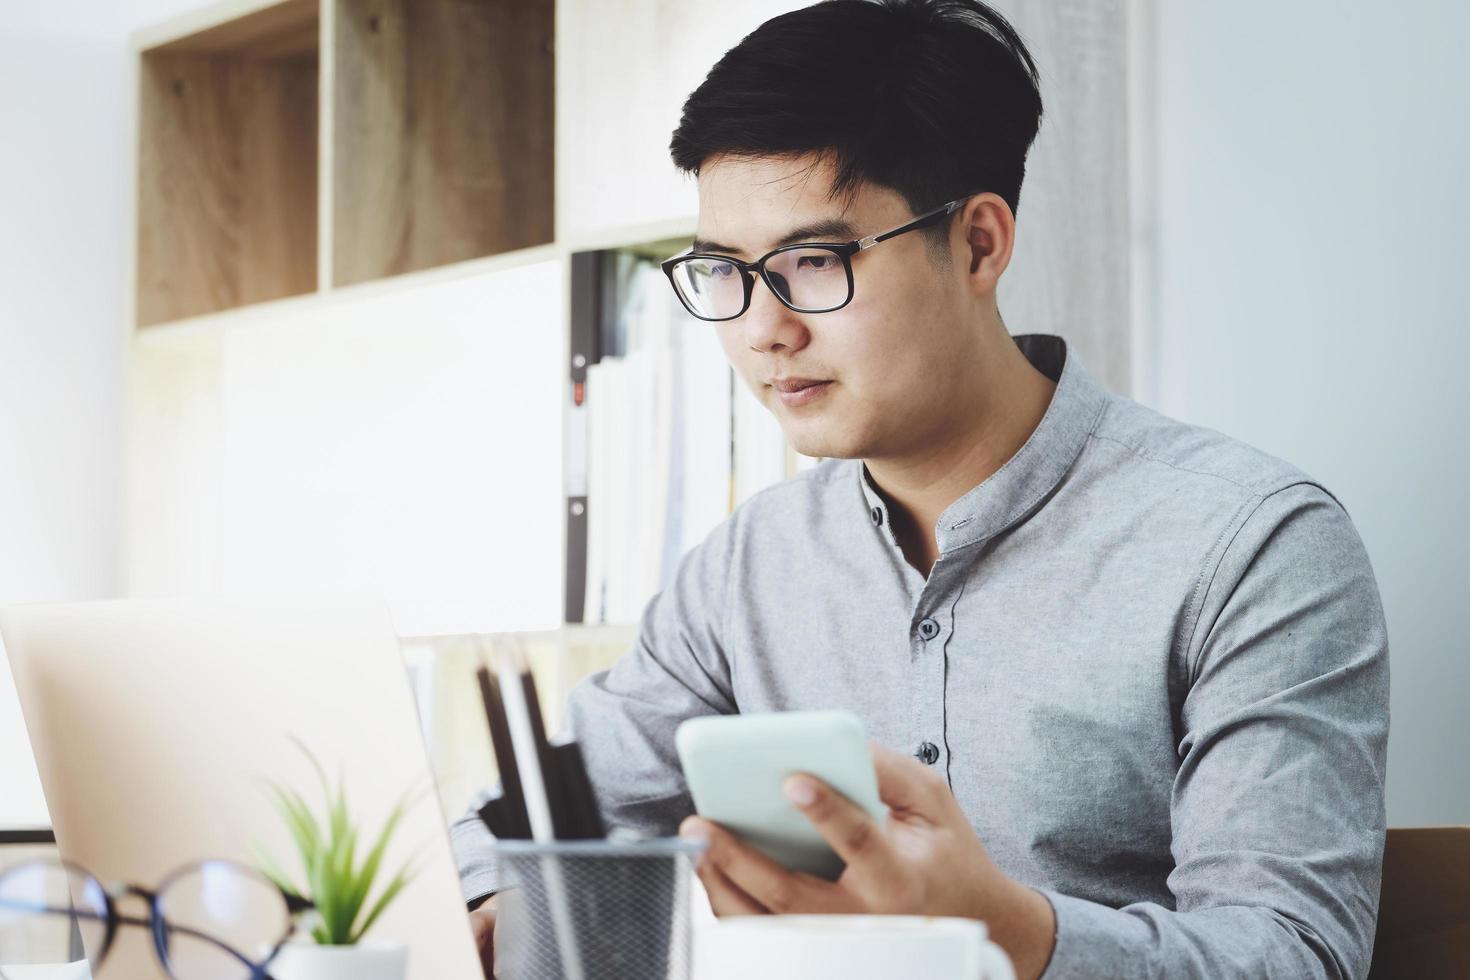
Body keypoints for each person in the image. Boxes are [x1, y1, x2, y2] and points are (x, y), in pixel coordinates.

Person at [453, 1, 1390, 977]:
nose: (763, 330)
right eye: (725, 271)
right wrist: (495, 894)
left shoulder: (1251, 546)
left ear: (980, 244)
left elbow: (1297, 956)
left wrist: (1009, 928)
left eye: (812, 262)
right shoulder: (750, 565)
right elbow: (512, 821)